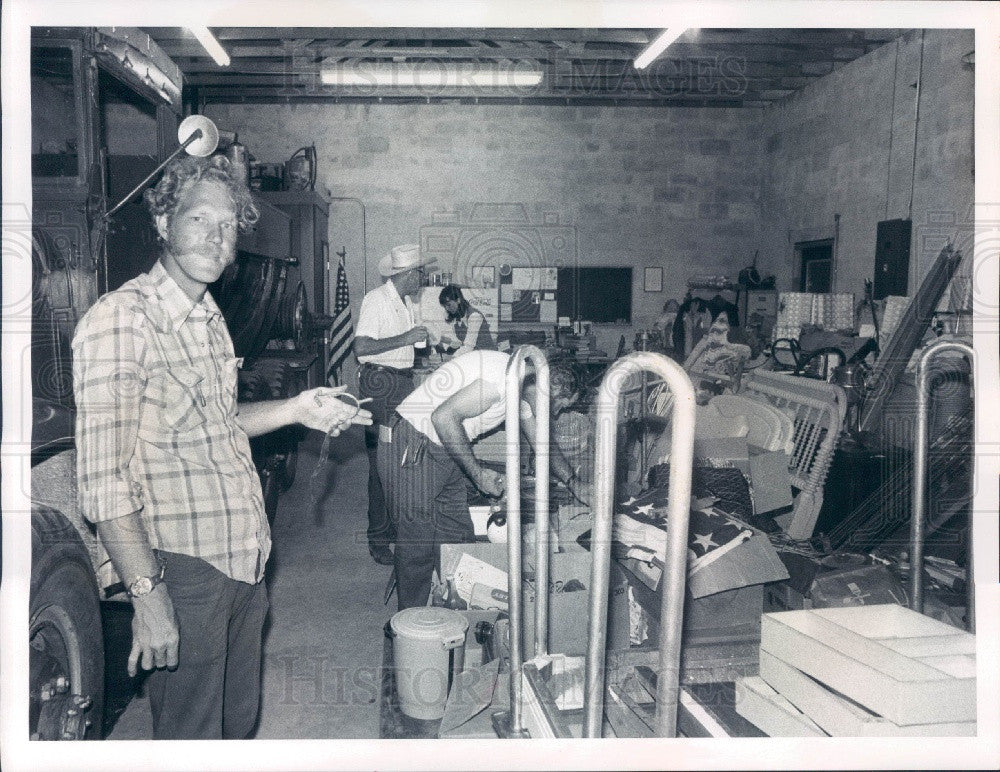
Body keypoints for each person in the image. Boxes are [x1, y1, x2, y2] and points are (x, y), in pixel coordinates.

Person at [71, 154, 372, 740]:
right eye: (200, 219)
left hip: (243, 560)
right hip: (182, 569)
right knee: (191, 735)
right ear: (163, 224)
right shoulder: (122, 320)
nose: (217, 236)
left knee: (236, 727)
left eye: (230, 224)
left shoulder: (208, 315)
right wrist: (147, 595)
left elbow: (215, 421)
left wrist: (295, 409)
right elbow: (103, 483)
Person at [377, 351, 584, 609]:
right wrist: (477, 473)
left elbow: (543, 442)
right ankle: (412, 631)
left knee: (456, 536)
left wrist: (575, 483)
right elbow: (442, 417)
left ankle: (448, 611)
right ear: (550, 386)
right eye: (558, 405)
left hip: (443, 448)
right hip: (413, 442)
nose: (554, 414)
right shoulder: (501, 378)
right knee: (417, 547)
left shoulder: (523, 390)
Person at [353, 243, 436, 565]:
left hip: (398, 382)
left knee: (397, 460)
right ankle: (379, 539)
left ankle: (394, 531)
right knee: (382, 463)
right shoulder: (376, 300)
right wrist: (405, 339)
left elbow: (403, 343)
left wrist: (418, 343)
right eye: (420, 272)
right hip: (380, 383)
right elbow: (362, 347)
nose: (423, 278)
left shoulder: (404, 302)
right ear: (407, 274)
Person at [438, 283, 496, 355]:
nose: (447, 308)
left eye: (449, 305)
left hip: (487, 357)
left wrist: (451, 359)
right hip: (474, 356)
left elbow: (468, 347)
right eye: (444, 306)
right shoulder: (456, 318)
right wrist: (442, 340)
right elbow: (459, 343)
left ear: (458, 300)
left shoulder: (474, 316)